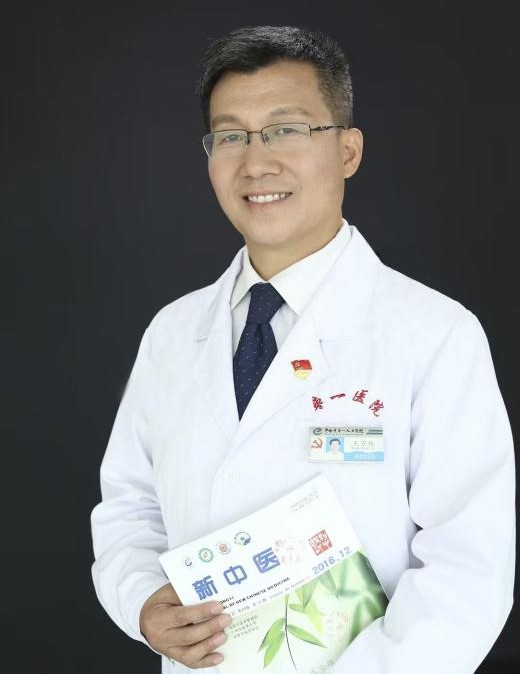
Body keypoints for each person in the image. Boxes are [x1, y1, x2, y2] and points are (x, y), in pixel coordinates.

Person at [90, 25, 515, 674]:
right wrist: (142, 599)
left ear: (348, 150)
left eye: (285, 129)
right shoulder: (171, 334)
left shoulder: (434, 335)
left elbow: (467, 570)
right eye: (230, 136)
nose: (256, 163)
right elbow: (130, 503)